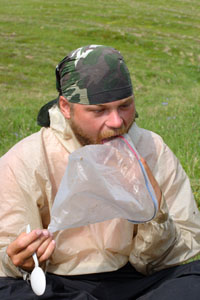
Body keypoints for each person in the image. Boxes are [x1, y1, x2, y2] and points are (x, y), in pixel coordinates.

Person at [0, 45, 200, 300]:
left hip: (139, 280)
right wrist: (19, 262)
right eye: (99, 111)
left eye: (125, 106)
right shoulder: (27, 159)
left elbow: (177, 251)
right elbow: (7, 252)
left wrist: (154, 212)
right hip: (59, 285)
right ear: (65, 106)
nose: (117, 122)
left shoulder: (152, 149)